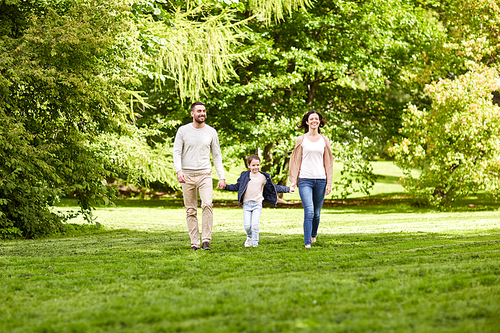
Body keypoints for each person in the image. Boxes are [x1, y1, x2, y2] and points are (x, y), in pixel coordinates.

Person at [173, 102, 226, 251]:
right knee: (190, 210)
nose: (202, 113)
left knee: (208, 204)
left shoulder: (211, 132)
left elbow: (216, 155)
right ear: (192, 114)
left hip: (205, 174)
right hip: (187, 175)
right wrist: (179, 170)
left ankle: (206, 240)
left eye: (204, 111)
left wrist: (221, 177)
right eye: (199, 111)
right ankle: (195, 242)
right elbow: (176, 152)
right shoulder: (183, 131)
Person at [222, 155, 294, 247]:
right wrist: (225, 187)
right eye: (253, 165)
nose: (255, 167)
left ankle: (255, 244)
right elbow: (236, 186)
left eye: (257, 165)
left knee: (255, 225)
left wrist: (287, 189)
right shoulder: (245, 175)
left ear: (260, 165)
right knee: (247, 226)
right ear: (249, 166)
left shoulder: (263, 177)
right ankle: (250, 237)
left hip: (257, 204)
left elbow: (274, 188)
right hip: (246, 205)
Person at [289, 110, 334, 248]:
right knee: (309, 210)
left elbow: (329, 162)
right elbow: (296, 161)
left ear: (319, 122)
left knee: (316, 213)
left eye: (317, 119)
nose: (314, 121)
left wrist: (329, 182)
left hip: (321, 180)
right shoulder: (301, 140)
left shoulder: (324, 140)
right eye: (311, 119)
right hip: (305, 180)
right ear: (307, 122)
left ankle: (313, 235)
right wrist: (293, 181)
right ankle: (307, 242)